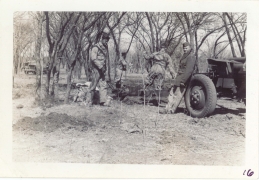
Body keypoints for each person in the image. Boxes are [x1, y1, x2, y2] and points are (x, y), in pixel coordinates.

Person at [160, 42, 196, 114]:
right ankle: (167, 108)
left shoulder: (191, 56)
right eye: (184, 48)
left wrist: (183, 80)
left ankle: (171, 110)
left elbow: (189, 70)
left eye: (186, 48)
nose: (185, 49)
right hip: (178, 78)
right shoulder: (185, 55)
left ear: (190, 48)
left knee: (177, 95)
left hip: (183, 79)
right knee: (171, 93)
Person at [85, 29, 112, 106]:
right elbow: (93, 58)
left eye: (107, 40)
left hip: (102, 70)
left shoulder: (105, 47)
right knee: (93, 85)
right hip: (96, 70)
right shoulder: (96, 47)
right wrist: (100, 66)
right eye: (105, 40)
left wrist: (105, 68)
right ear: (102, 39)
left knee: (103, 85)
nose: (106, 41)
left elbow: (105, 59)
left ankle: (102, 102)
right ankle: (89, 102)